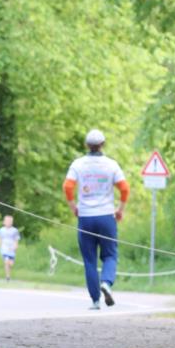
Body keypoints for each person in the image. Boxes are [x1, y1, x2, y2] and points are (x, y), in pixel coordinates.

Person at [63, 129, 129, 310]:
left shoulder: (78, 164)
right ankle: (106, 282)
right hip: (107, 216)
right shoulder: (111, 165)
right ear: (103, 144)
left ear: (87, 145)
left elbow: (68, 186)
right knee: (110, 255)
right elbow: (124, 189)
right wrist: (120, 210)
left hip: (85, 217)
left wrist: (73, 207)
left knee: (89, 260)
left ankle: (95, 300)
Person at [0, 215, 20, 282]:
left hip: (11, 249)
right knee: (6, 262)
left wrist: (15, 247)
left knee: (11, 264)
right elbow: (0, 239)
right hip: (4, 249)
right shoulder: (1, 230)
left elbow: (16, 240)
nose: (8, 222)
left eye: (10, 221)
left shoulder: (14, 230)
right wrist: (0, 246)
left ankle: (8, 273)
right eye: (7, 221)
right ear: (4, 222)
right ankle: (7, 276)